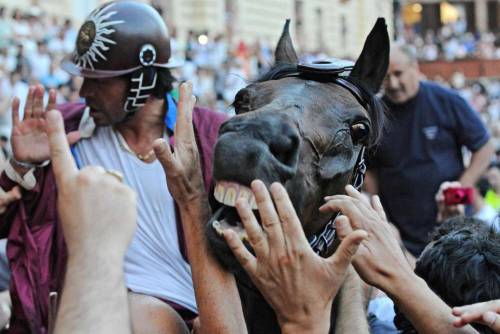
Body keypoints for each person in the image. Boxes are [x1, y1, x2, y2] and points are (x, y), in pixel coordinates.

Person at [0, 2, 228, 333]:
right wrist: (20, 165)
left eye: (100, 81)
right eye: (85, 78)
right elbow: (7, 228)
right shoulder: (61, 129)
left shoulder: (211, 136)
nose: (84, 91)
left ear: (144, 78)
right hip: (81, 310)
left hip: (185, 317)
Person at [367, 44, 495, 256]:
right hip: (401, 233)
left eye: (398, 74)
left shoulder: (446, 100)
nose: (393, 83)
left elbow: (484, 147)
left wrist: (460, 193)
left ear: (415, 68)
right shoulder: (375, 114)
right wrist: (382, 218)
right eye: (386, 76)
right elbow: (370, 170)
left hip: (455, 226)